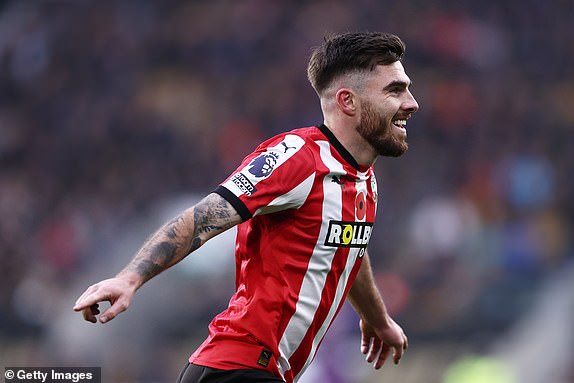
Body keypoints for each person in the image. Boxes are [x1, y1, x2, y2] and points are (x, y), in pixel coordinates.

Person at [73, 31, 419, 383]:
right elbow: (204, 217)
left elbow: (348, 249)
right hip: (235, 370)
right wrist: (130, 278)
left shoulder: (364, 181)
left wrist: (378, 320)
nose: (411, 102)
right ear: (348, 102)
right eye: (394, 90)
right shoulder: (296, 158)